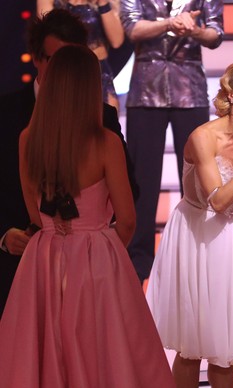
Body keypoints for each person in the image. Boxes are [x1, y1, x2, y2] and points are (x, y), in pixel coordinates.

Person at [0, 44, 175, 388]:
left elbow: (34, 211)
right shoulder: (106, 142)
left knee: (43, 353)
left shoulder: (27, 140)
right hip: (96, 259)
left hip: (43, 258)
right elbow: (127, 218)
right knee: (106, 354)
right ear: (89, 86)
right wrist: (103, 247)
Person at [0, 8, 137, 320]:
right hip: (22, 270)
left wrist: (100, 253)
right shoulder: (8, 116)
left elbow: (129, 198)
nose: (63, 71)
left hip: (81, 268)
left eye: (69, 60)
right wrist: (5, 236)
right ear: (36, 58)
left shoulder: (103, 122)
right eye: (54, 60)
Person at [146, 60, 233, 388]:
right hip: (195, 234)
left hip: (229, 238)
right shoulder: (204, 137)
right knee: (192, 347)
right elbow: (217, 201)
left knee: (225, 348)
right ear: (231, 95)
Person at [120, 0, 224, 284]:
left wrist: (193, 31)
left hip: (190, 91)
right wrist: (169, 23)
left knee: (198, 177)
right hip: (145, 91)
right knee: (142, 179)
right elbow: (131, 28)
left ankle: (198, 254)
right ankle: (138, 261)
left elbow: (216, 33)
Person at [37, 0, 125, 111]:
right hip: (65, 72)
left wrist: (103, 3)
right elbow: (45, 38)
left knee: (107, 121)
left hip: (98, 73)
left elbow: (116, 41)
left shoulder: (104, 2)